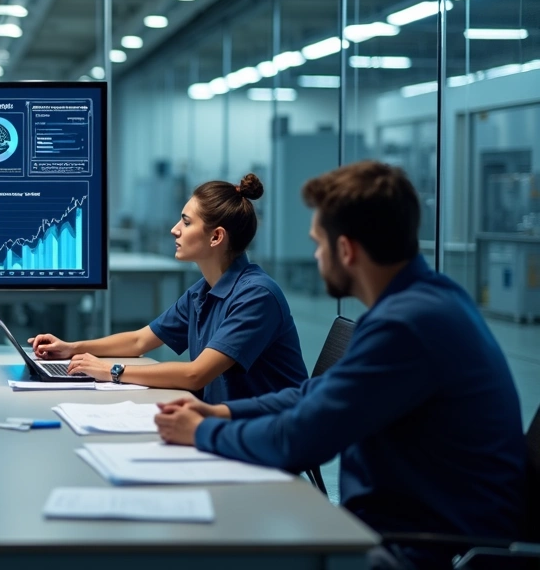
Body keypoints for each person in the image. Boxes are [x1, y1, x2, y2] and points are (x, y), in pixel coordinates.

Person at [154, 161, 526, 569]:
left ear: (346, 250)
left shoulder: (409, 326)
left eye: (318, 243)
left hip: (423, 550)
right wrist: (220, 412)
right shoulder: (425, 302)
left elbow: (300, 440)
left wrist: (204, 432)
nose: (315, 256)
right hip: (409, 531)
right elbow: (314, 395)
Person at [30, 174, 307, 403]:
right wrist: (71, 348)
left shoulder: (257, 296)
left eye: (186, 222)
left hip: (271, 434)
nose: (175, 230)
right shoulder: (204, 291)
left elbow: (196, 375)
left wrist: (110, 371)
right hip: (228, 424)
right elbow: (140, 341)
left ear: (216, 237)